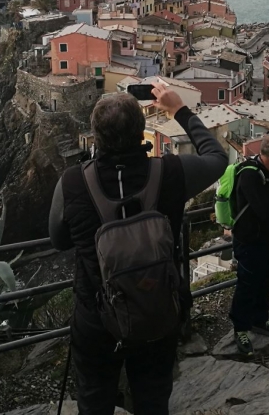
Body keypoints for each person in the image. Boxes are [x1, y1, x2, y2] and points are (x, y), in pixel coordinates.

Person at [48, 82, 227, 415]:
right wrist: (179, 110)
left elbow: (58, 240)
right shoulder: (170, 172)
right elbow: (217, 159)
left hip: (96, 316)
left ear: (95, 135)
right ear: (141, 131)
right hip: (156, 308)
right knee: (152, 399)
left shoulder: (72, 182)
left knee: (94, 400)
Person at [229, 132, 269, 357]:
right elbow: (264, 211)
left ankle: (259, 320)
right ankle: (241, 329)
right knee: (247, 285)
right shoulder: (250, 175)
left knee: (266, 282)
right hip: (249, 241)